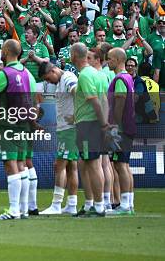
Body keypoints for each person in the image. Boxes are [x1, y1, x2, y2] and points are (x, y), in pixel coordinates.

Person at [0, 39, 38, 220]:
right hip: (24, 123)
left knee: (11, 164)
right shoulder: (27, 73)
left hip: (7, 123)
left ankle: (14, 209)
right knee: (22, 164)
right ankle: (23, 209)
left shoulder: (4, 74)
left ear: (6, 51)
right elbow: (33, 98)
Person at [70, 42, 109, 217]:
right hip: (92, 122)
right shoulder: (98, 74)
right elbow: (105, 100)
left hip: (88, 124)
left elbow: (94, 100)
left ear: (74, 56)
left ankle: (99, 205)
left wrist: (102, 123)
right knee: (85, 164)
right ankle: (89, 203)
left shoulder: (85, 75)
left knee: (93, 164)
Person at [38, 62, 79, 215]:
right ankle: (72, 204)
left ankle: (56, 204)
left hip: (69, 130)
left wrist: (76, 116)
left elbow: (78, 92)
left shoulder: (68, 77)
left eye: (48, 78)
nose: (48, 82)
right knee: (71, 166)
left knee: (59, 165)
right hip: (66, 129)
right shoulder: (61, 81)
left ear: (53, 70)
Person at [106, 47, 136, 215]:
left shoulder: (119, 79)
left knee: (120, 165)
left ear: (117, 60)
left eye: (109, 59)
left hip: (122, 128)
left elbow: (120, 101)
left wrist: (115, 126)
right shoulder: (128, 78)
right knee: (124, 165)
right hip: (129, 126)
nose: (108, 61)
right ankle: (129, 203)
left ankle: (124, 205)